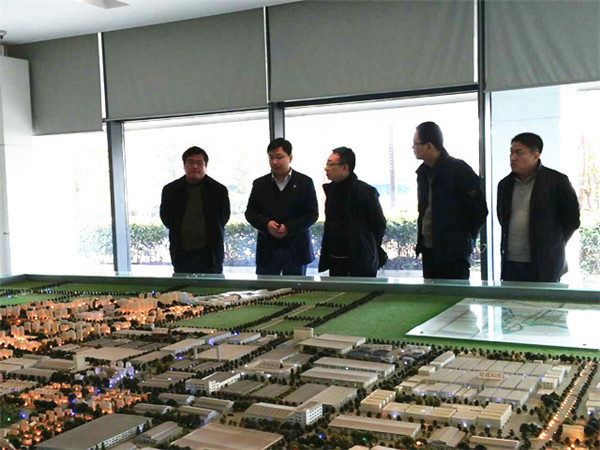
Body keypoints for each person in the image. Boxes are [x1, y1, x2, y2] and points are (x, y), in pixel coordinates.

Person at [497, 132, 580, 282]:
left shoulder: (557, 181)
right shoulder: (504, 185)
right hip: (511, 263)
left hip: (545, 263)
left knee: (544, 298)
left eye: (519, 153)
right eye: (511, 152)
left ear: (535, 156)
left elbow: (572, 221)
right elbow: (503, 218)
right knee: (511, 298)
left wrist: (552, 242)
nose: (512, 157)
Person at [414, 121, 487, 280]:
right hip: (429, 251)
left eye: (416, 144)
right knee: (431, 293)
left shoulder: (459, 169)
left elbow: (480, 210)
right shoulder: (423, 173)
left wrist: (465, 239)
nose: (413, 148)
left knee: (456, 294)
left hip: (454, 255)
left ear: (429, 146)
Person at [245, 138, 319, 275]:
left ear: (290, 158)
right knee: (265, 287)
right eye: (271, 157)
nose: (274, 162)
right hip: (268, 249)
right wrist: (266, 225)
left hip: (296, 248)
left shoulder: (305, 182)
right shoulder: (260, 184)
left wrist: (289, 228)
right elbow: (250, 213)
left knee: (295, 288)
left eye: (279, 157)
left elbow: (312, 214)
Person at [160, 146, 230, 274]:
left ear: (205, 165)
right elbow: (166, 218)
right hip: (182, 254)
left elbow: (223, 218)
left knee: (213, 286)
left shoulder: (219, 190)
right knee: (182, 287)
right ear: (184, 165)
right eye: (190, 162)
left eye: (199, 163)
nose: (195, 166)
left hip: (211, 255)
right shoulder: (171, 190)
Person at [319, 146, 387, 277]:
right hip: (335, 260)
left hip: (361, 260)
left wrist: (368, 247)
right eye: (327, 164)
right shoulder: (330, 190)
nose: (326, 168)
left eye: (331, 164)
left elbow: (379, 225)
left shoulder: (365, 192)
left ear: (345, 168)